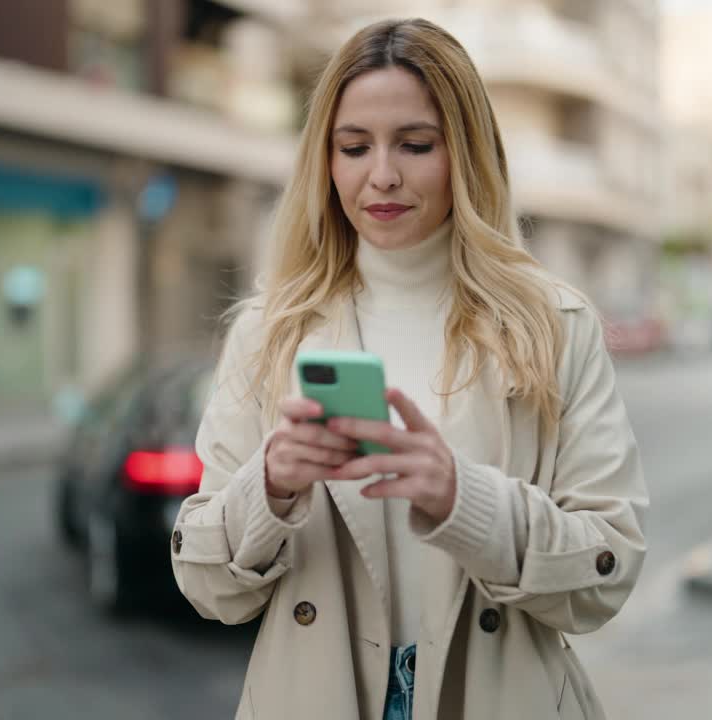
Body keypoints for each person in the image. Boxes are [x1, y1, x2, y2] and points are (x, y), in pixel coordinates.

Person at [170, 17, 647, 720]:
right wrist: (268, 486)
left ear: (466, 153)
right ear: (324, 162)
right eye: (354, 147)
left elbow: (608, 570)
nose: (382, 175)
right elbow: (207, 587)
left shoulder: (554, 326)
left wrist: (466, 501)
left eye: (416, 145)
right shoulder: (268, 333)